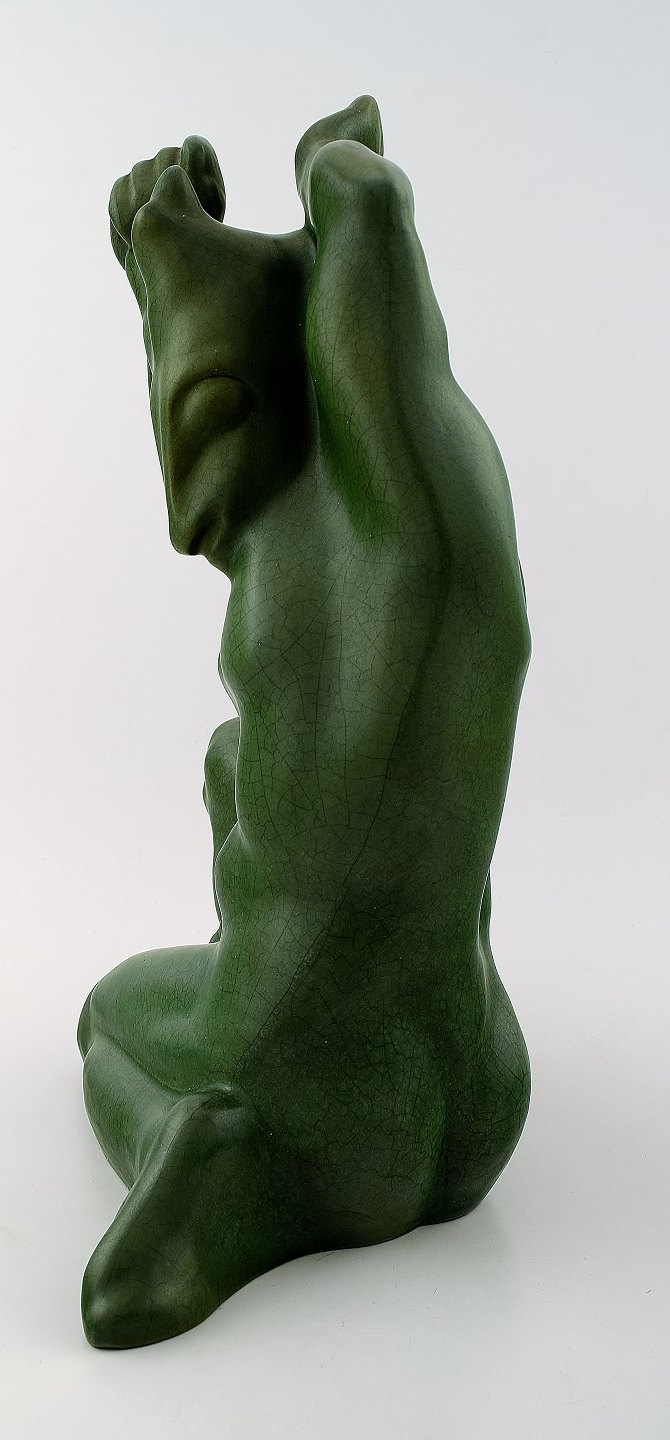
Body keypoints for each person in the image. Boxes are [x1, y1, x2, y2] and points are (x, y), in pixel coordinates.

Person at [78, 95, 531, 1348]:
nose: (186, 520)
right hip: (482, 1086)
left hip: (304, 1089)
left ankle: (208, 1148)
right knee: (231, 760)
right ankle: (241, 1131)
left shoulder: (369, 537)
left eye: (204, 407)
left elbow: (368, 212)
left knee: (104, 1016)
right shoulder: (442, 524)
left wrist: (331, 170)